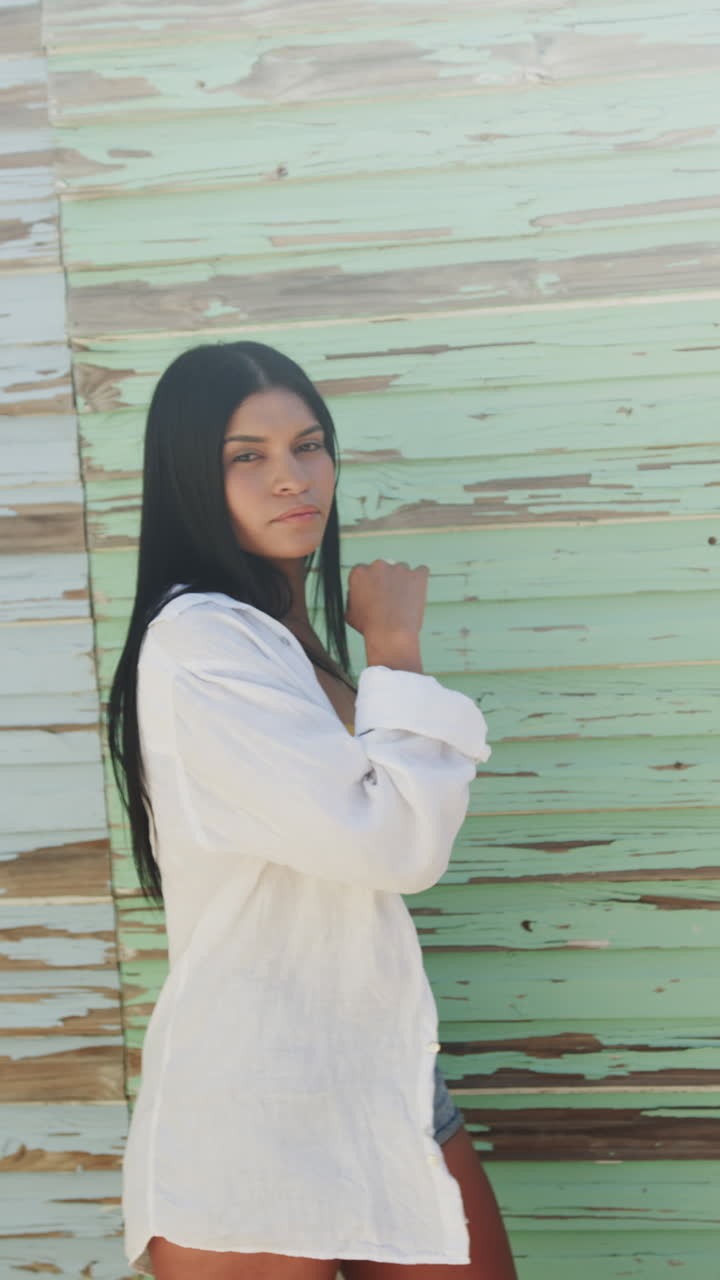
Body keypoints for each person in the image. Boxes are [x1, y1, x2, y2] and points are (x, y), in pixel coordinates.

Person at [108, 340, 518, 1280]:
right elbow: (392, 843)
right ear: (188, 479)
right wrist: (397, 648)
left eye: (309, 444)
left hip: (380, 1070)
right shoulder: (201, 642)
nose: (291, 478)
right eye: (243, 455)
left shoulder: (278, 637)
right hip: (256, 1095)